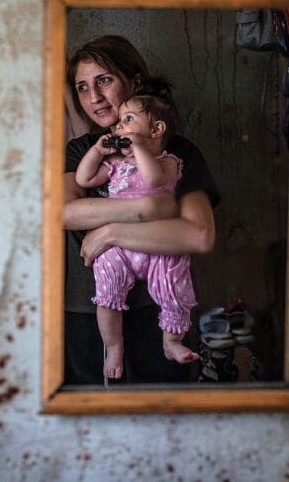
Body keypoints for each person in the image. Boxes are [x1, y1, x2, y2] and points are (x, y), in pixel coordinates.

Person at [63, 35, 220, 385]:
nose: (94, 98)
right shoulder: (82, 150)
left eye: (104, 80)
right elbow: (65, 213)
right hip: (88, 311)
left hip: (158, 310)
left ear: (134, 81)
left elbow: (199, 234)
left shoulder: (177, 152)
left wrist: (110, 232)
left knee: (164, 421)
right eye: (83, 87)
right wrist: (150, 207)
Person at [75, 80, 199, 379]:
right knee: (106, 288)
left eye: (127, 120)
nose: (119, 127)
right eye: (118, 123)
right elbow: (83, 179)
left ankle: (172, 341)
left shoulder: (169, 161)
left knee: (174, 287)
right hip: (120, 248)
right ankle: (114, 347)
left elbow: (154, 180)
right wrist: (97, 150)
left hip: (156, 244)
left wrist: (140, 148)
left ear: (155, 130)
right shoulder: (115, 164)